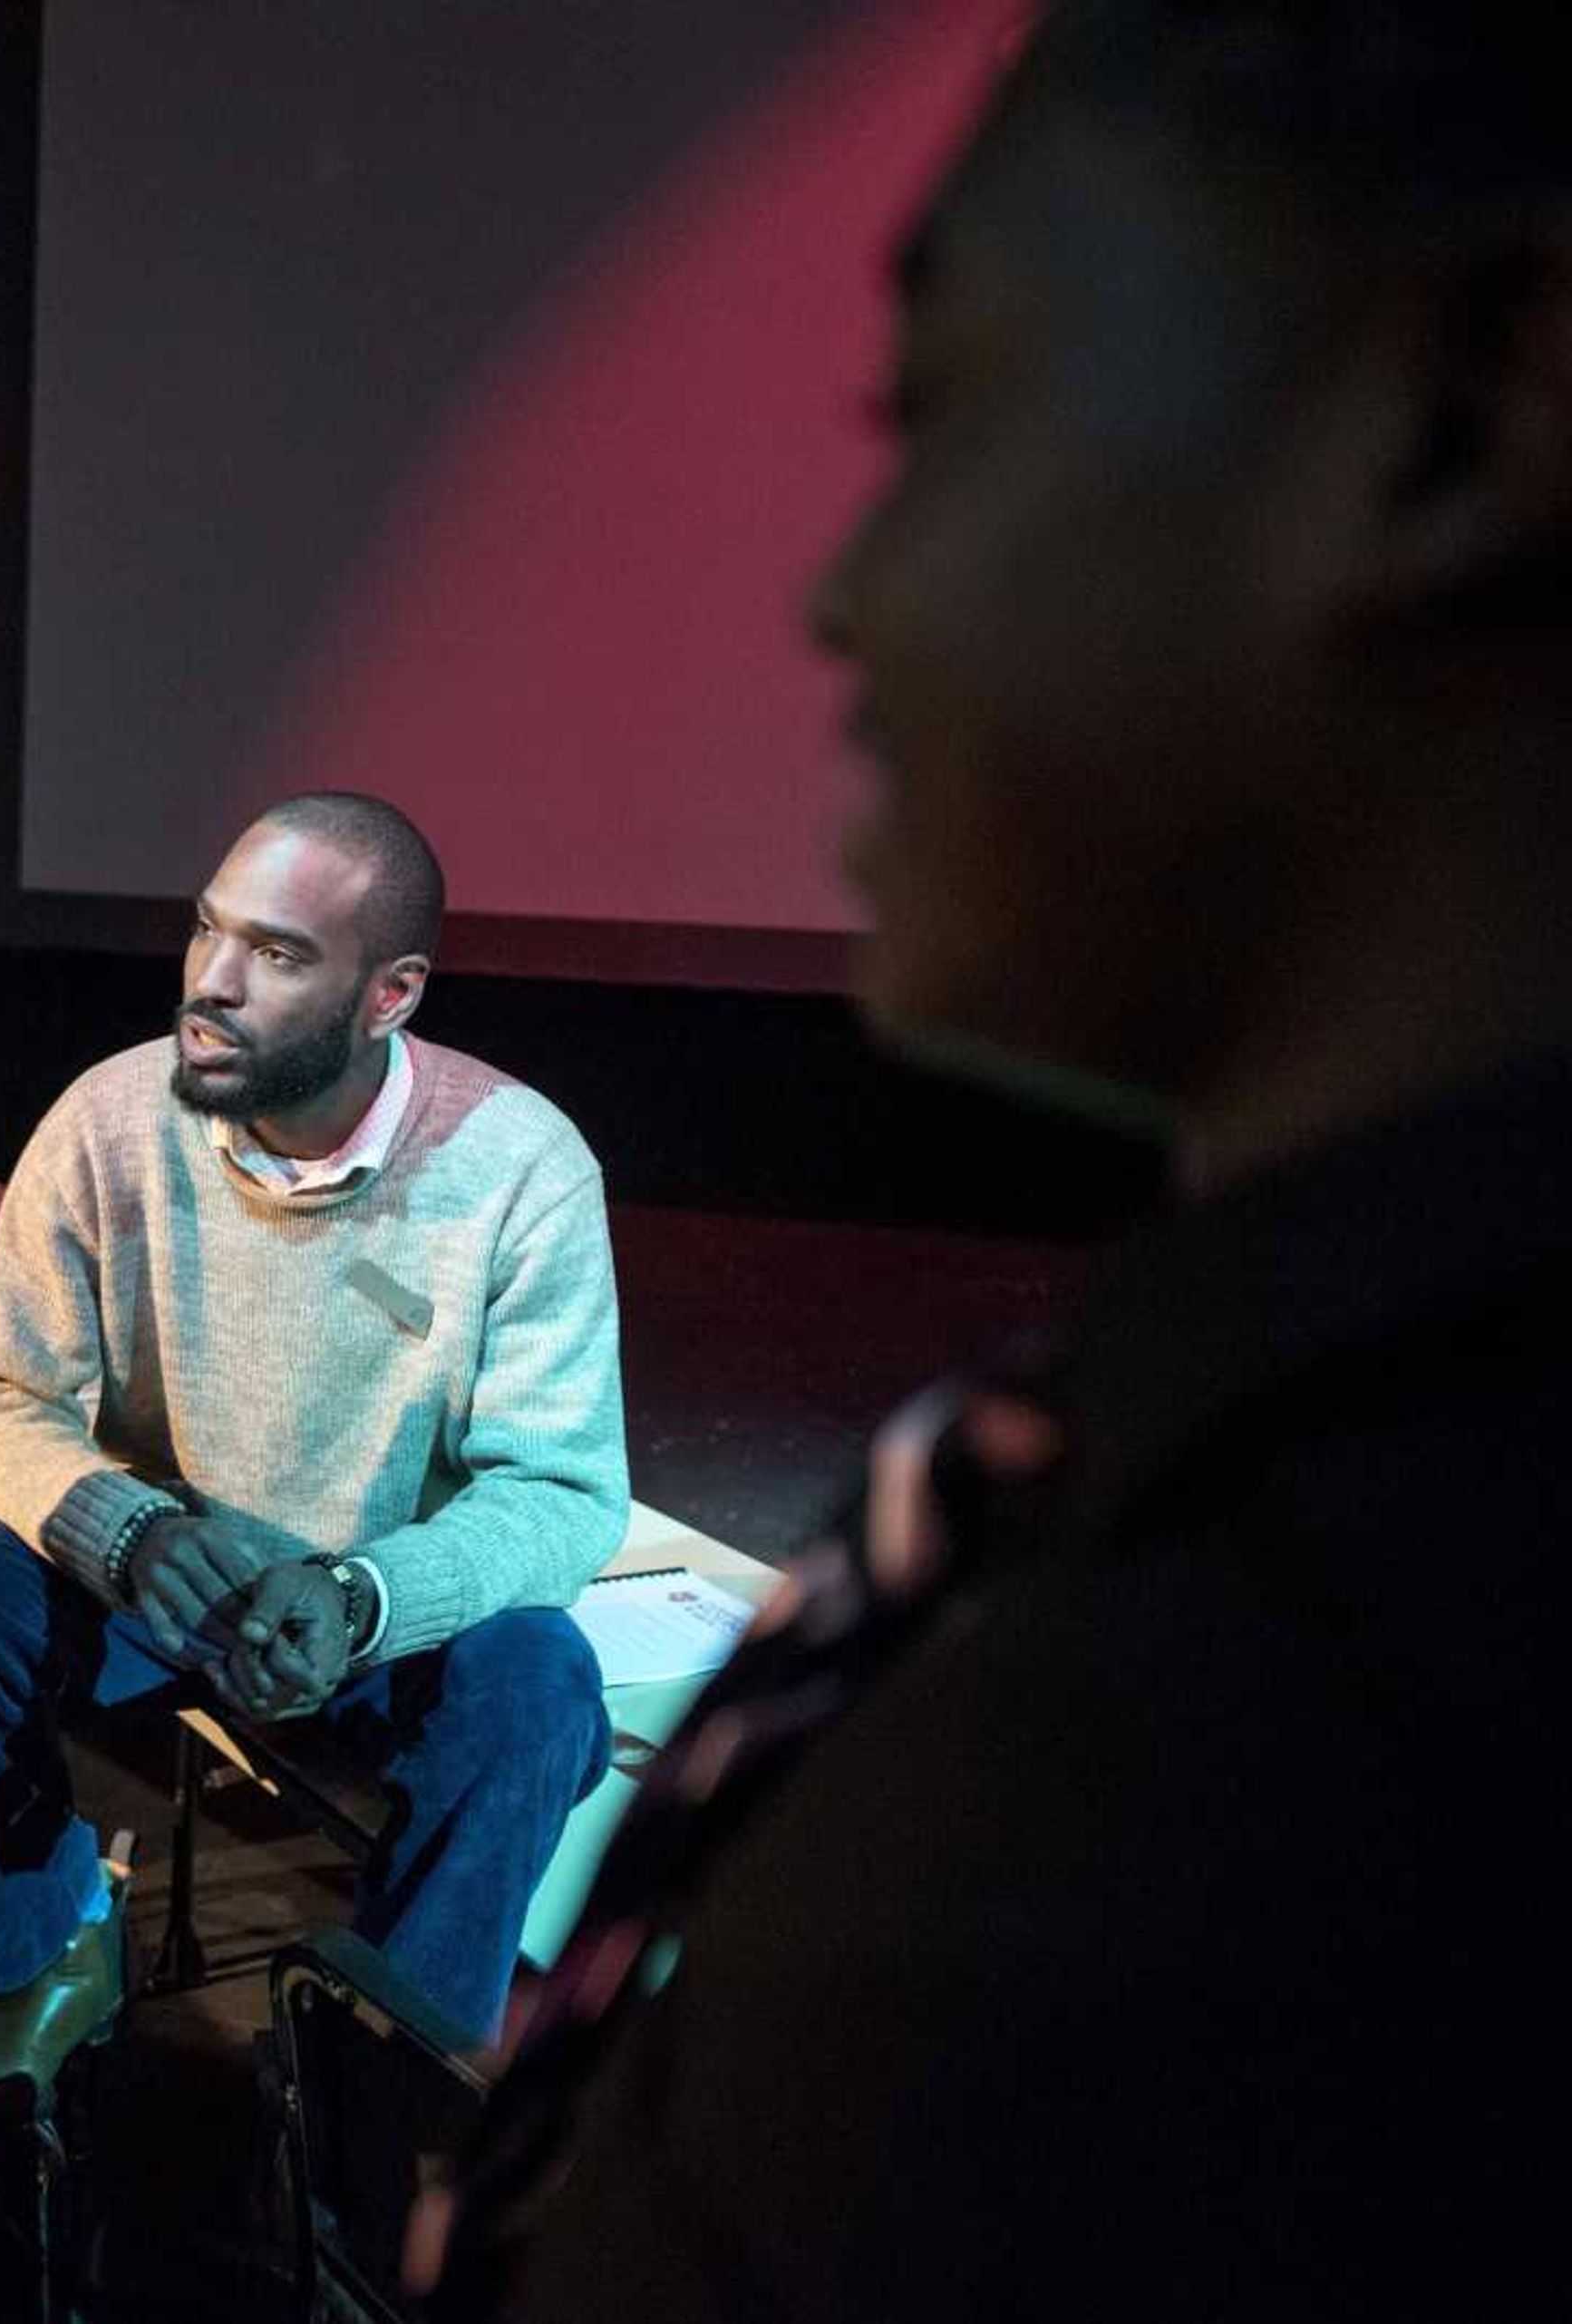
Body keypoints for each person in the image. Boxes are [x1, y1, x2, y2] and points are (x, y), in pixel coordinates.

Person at [428, 7, 1572, 2317]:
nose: (848, 595)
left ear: (1455, 416)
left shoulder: (1244, 1767)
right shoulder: (1186, 1510)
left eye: (941, 419)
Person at [0, 789, 629, 2139]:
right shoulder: (112, 1118)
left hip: (375, 1614)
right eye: (209, 932)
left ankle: (385, 2072)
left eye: (279, 956)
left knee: (540, 1682)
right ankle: (51, 1960)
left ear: (389, 994)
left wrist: (360, 1595)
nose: (212, 984)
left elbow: (564, 1491)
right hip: (164, 1584)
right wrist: (132, 1533)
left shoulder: (521, 1165)